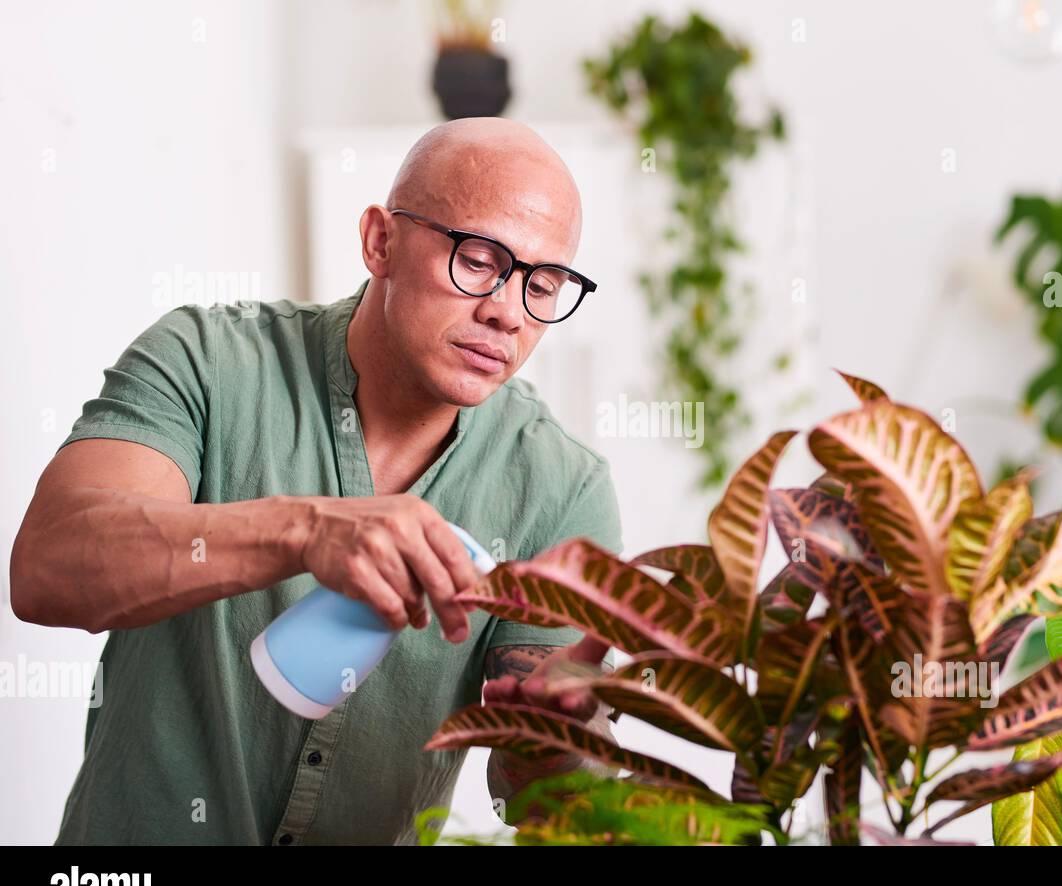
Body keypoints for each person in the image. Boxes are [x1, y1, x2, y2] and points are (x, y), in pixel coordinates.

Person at [10, 118, 619, 845]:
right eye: (479, 259)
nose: (507, 312)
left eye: (543, 285)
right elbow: (48, 566)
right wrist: (302, 530)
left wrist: (564, 744)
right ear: (379, 242)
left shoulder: (562, 486)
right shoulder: (206, 359)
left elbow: (545, 789)